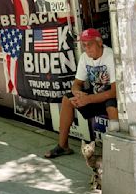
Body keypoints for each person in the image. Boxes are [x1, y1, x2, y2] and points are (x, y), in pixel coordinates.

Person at [44, 28, 117, 158]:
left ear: (99, 43)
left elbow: (114, 92)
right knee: (68, 99)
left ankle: (117, 150)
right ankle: (63, 146)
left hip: (109, 97)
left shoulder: (110, 56)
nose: (86, 48)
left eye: (90, 44)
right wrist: (77, 93)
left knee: (112, 106)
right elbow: (77, 83)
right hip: (95, 95)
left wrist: (88, 99)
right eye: (84, 45)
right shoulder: (84, 57)